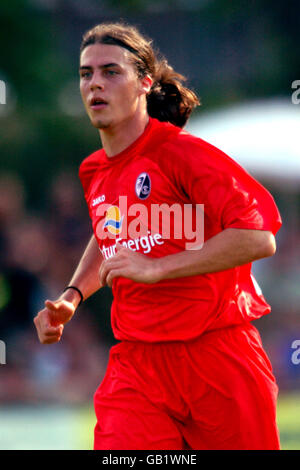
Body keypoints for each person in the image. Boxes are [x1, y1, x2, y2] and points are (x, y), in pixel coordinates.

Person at [34, 22, 282, 450]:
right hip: (138, 365)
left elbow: (257, 236)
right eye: (85, 74)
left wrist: (158, 267)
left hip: (219, 358)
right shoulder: (93, 170)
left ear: (144, 83)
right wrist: (72, 296)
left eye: (111, 72)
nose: (95, 83)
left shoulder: (183, 154)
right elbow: (108, 234)